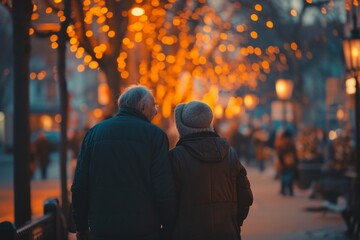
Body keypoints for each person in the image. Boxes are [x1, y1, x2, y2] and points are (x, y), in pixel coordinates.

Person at [71, 85, 176, 240]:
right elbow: (163, 188)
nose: (155, 111)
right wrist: (168, 226)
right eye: (154, 107)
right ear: (142, 107)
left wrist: (80, 227)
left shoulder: (94, 133)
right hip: (143, 229)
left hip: (102, 229)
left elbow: (80, 185)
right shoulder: (155, 136)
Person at [169, 101, 253, 240]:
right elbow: (246, 197)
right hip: (227, 232)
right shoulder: (230, 154)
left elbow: (167, 201)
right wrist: (234, 222)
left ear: (183, 128)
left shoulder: (175, 158)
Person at [275, 130, 298, 196]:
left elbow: (279, 153)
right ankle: (290, 191)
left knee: (285, 176)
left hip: (284, 163)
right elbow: (295, 153)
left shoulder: (281, 143)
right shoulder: (291, 143)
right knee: (289, 176)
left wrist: (281, 161)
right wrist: (296, 161)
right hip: (291, 162)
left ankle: (283, 190)